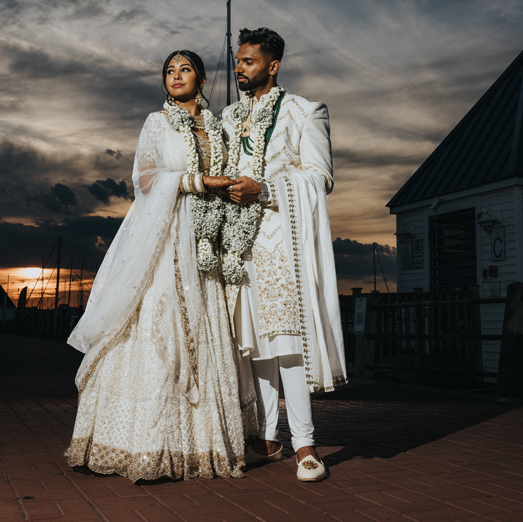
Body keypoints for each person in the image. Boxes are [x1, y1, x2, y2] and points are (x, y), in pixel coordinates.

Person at [66, 49, 258, 482]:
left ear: (202, 80)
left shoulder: (218, 127)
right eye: (169, 71)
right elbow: (145, 179)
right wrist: (195, 182)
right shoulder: (157, 122)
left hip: (204, 237)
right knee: (155, 323)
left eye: (185, 69)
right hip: (164, 233)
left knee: (206, 327)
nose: (176, 76)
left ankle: (201, 446)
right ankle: (140, 444)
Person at [221, 27, 346, 482]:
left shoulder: (305, 112)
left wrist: (267, 188)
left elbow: (319, 177)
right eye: (237, 61)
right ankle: (267, 437)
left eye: (248, 61)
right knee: (254, 343)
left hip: (282, 241)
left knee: (288, 341)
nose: (239, 68)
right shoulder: (229, 118)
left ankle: (305, 444)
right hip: (239, 246)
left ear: (272, 65)